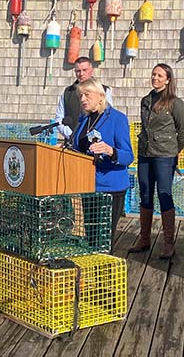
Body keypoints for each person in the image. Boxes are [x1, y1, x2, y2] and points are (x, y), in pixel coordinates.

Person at [129, 63, 184, 259]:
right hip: (145, 155)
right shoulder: (145, 100)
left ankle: (168, 242)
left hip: (165, 156)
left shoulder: (175, 103)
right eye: (153, 74)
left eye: (159, 75)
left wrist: (172, 151)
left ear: (168, 79)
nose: (155, 78)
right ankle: (144, 239)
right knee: (145, 193)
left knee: (164, 194)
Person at [72, 77, 134, 253]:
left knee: (103, 240)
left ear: (101, 96)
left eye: (87, 95)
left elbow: (128, 156)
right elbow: (77, 148)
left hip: (110, 188)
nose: (82, 99)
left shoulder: (117, 119)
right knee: (91, 237)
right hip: (88, 185)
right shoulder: (83, 120)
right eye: (80, 96)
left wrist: (110, 150)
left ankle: (105, 276)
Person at [55, 56, 113, 139]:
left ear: (91, 70)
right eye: (78, 71)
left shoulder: (103, 90)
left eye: (84, 70)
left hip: (97, 142)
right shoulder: (67, 92)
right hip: (72, 142)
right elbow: (59, 118)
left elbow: (108, 116)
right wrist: (72, 135)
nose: (81, 74)